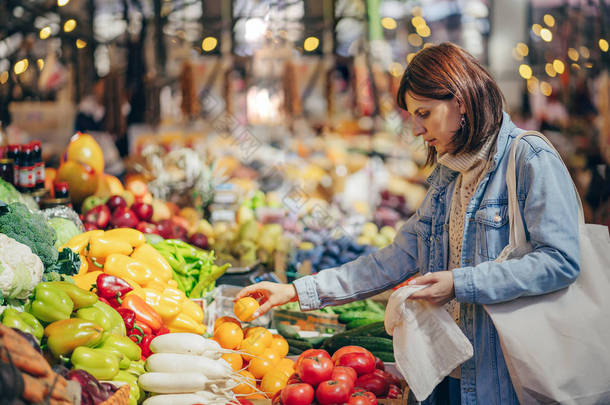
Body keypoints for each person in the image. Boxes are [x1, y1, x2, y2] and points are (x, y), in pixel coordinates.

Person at [236, 43, 580, 405]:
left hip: (499, 380)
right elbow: (394, 259)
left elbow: (560, 261)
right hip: (439, 371)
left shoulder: (530, 160)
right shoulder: (450, 174)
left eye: (424, 113)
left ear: (460, 100)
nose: (416, 129)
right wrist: (294, 292)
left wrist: (460, 283)